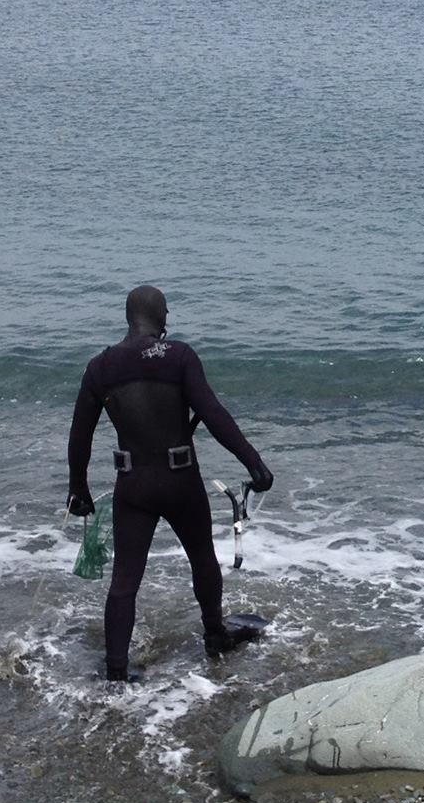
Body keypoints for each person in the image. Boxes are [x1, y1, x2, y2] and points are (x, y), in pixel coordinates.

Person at [67, 285, 273, 682]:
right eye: (166, 311)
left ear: (129, 318)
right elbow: (213, 415)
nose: (168, 318)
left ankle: (116, 672)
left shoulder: (100, 367)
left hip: (134, 487)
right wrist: (255, 463)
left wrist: (78, 488)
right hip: (180, 482)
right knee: (201, 559)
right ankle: (215, 634)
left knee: (125, 581)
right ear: (159, 316)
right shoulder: (178, 356)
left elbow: (80, 435)